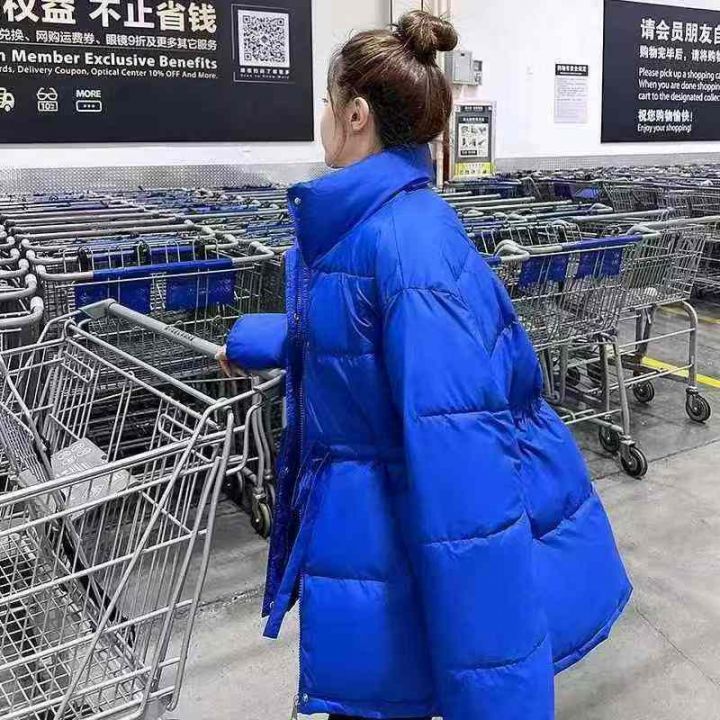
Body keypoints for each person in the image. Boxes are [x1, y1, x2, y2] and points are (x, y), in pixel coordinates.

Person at [219, 11, 631, 720]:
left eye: (326, 100)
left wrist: (502, 700)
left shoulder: (406, 245)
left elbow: (468, 487)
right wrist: (270, 339)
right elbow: (364, 340)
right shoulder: (373, 226)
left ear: (355, 115)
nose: (321, 117)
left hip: (392, 542)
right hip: (372, 539)